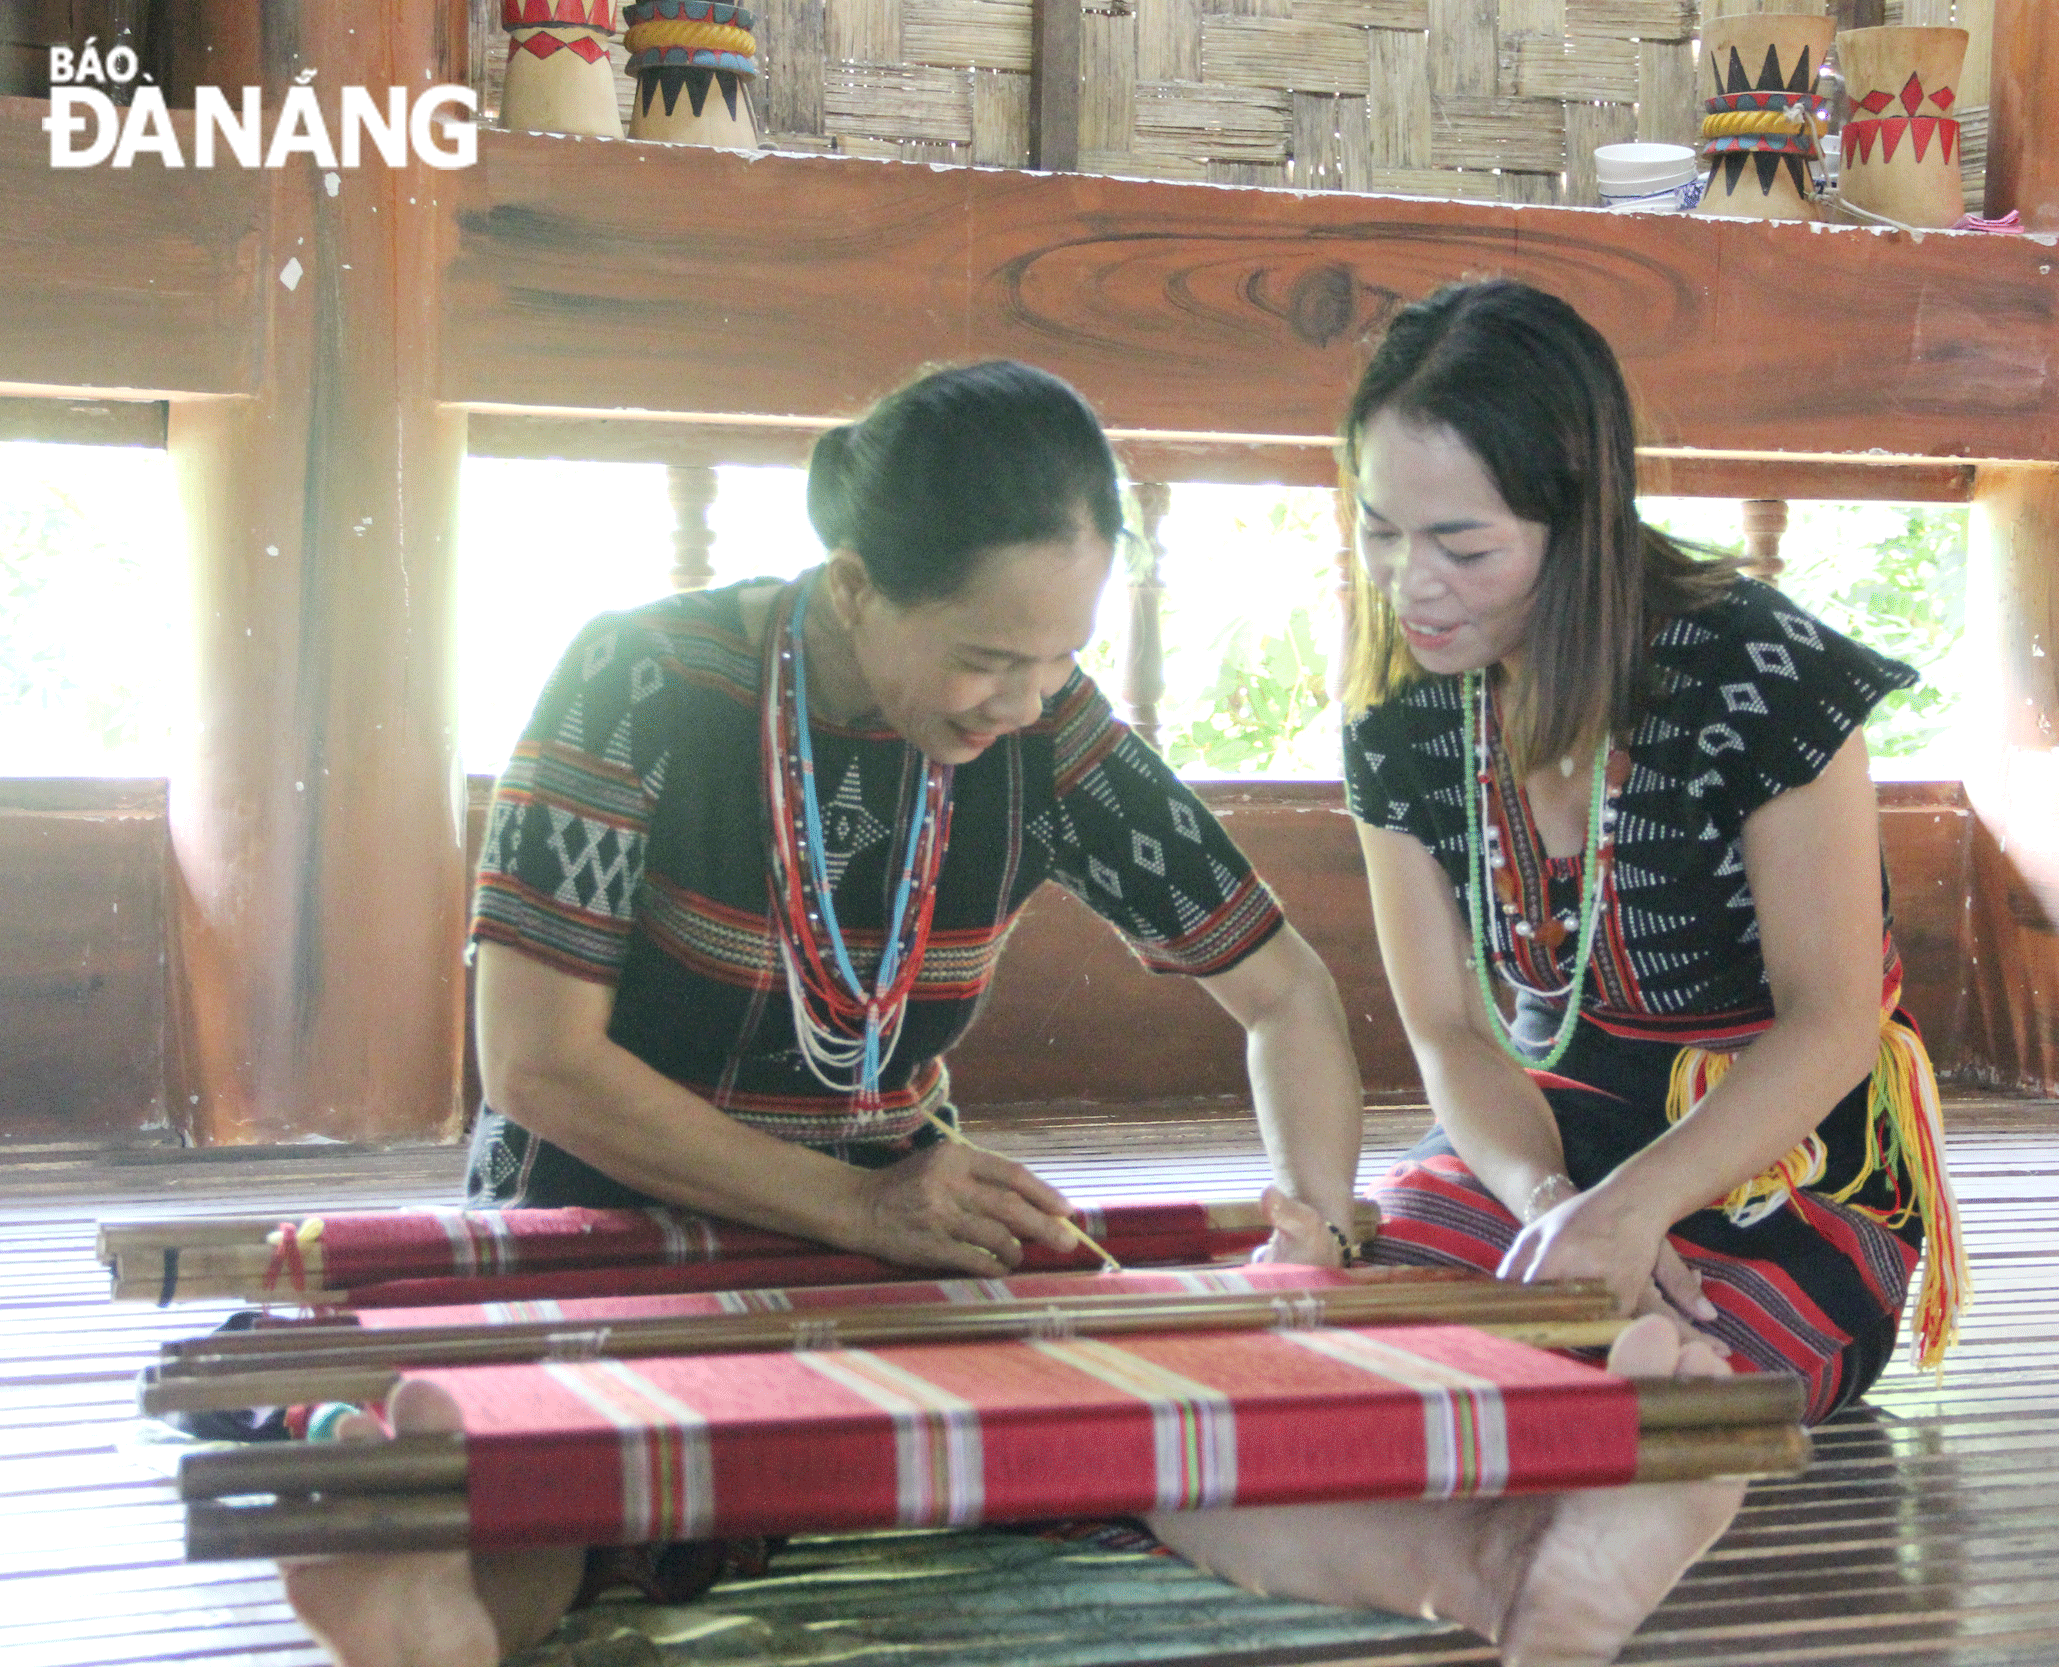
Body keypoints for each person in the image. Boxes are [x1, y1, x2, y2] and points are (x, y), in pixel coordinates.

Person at [279, 359, 1746, 1667]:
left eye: (1058, 656)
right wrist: (862, 1211)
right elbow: (537, 1070)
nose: (1022, 699)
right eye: (987, 656)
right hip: (606, 1223)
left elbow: (1284, 988)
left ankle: (1503, 1566)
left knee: (1143, 1427)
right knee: (584, 1475)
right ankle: (429, 1603)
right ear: (853, 586)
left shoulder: (1048, 729)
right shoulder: (639, 683)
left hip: (902, 1246)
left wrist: (1312, 1211)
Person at [1333, 280, 1966, 1481]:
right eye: (1379, 528)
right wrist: (1547, 1201)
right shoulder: (1404, 707)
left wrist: (1634, 1215)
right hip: (1549, 1130)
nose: (1409, 583)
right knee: (1372, 1331)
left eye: (1460, 544)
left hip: (1787, 1148)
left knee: (1674, 1375)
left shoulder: (1760, 676)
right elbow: (1448, 1028)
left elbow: (1834, 1020)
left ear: (1581, 520)